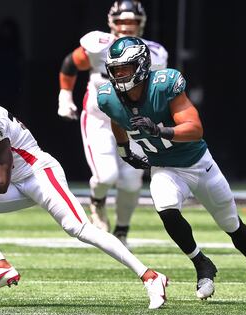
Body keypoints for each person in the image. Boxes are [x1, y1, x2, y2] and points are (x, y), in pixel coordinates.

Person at [0, 64, 168, 310]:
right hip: (17, 179)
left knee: (79, 228)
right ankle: (0, 266)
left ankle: (151, 276)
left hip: (38, 174)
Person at [98, 36, 246, 304]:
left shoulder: (164, 85)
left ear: (141, 65)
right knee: (166, 208)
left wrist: (161, 130)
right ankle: (201, 263)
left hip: (198, 164)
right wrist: (124, 150)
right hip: (164, 167)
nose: (119, 74)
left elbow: (195, 129)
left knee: (231, 224)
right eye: (115, 69)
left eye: (125, 68)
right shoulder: (108, 97)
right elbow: (117, 118)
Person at [57, 0, 168, 244]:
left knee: (130, 182)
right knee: (105, 176)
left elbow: (159, 88)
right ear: (112, 23)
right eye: (121, 21)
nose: (127, 26)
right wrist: (64, 97)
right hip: (99, 117)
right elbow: (71, 63)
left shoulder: (155, 52)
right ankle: (97, 202)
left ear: (141, 24)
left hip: (132, 121)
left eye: (132, 22)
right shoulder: (99, 45)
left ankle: (122, 230)